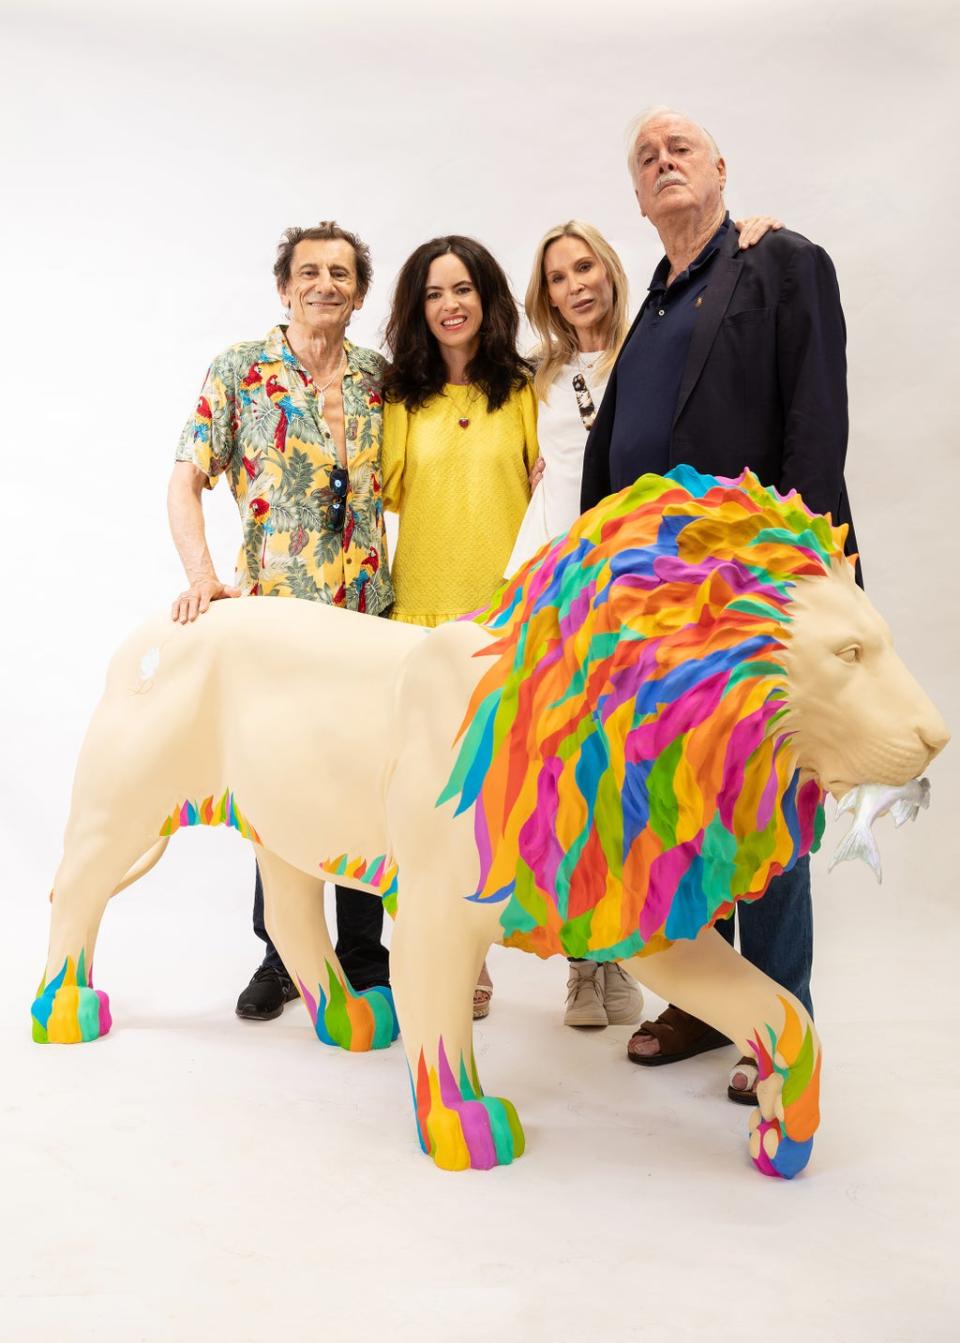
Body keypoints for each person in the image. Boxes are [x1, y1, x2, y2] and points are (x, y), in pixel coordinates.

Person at [580, 108, 859, 1101]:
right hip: (652, 614)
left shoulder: (778, 263)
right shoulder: (652, 302)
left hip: (753, 597)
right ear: (637, 195)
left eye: (679, 149)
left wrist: (801, 577)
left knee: (769, 815)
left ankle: (779, 1022)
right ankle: (704, 998)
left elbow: (814, 424)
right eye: (645, 159)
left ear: (721, 169)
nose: (662, 162)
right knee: (680, 808)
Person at [515, 216, 782, 1030]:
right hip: (549, 581)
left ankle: (664, 962)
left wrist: (753, 234)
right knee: (561, 778)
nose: (576, 285)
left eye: (586, 266)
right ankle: (581, 967)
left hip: (636, 586)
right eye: (559, 276)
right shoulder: (536, 377)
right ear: (546, 294)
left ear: (611, 269)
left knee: (631, 776)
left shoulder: (655, 340)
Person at [169, 221, 393, 1021]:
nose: (325, 284)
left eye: (341, 273)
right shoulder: (238, 370)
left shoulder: (379, 378)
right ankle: (281, 952)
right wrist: (203, 578)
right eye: (310, 271)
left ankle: (366, 957)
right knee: (281, 788)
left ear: (359, 292)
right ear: (284, 285)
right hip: (275, 628)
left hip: (370, 624)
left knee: (368, 785)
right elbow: (185, 478)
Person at [381, 235, 539, 1017]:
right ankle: (450, 961)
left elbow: (560, 487)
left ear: (488, 298)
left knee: (515, 799)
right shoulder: (401, 399)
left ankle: (587, 959)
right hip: (419, 620)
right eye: (435, 292)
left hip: (506, 619)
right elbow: (371, 490)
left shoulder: (524, 391)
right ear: (418, 308)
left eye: (464, 289)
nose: (450, 304)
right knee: (426, 804)